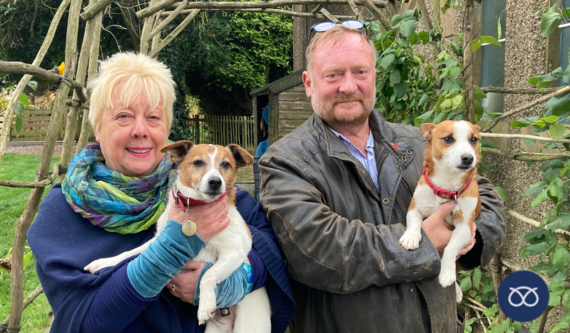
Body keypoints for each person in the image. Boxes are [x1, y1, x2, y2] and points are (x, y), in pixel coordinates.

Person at [258, 23, 506, 333]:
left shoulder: (420, 143)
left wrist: (468, 234)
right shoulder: (284, 162)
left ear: (374, 76)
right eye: (333, 75)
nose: (349, 86)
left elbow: (487, 197)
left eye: (360, 72)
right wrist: (427, 243)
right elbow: (321, 251)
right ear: (308, 84)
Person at [27, 52, 295, 333]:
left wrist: (241, 276)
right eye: (123, 116)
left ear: (166, 128)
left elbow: (272, 253)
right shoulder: (62, 213)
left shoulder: (215, 195)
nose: (140, 130)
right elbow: (83, 322)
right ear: (97, 127)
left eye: (153, 117)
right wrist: (167, 253)